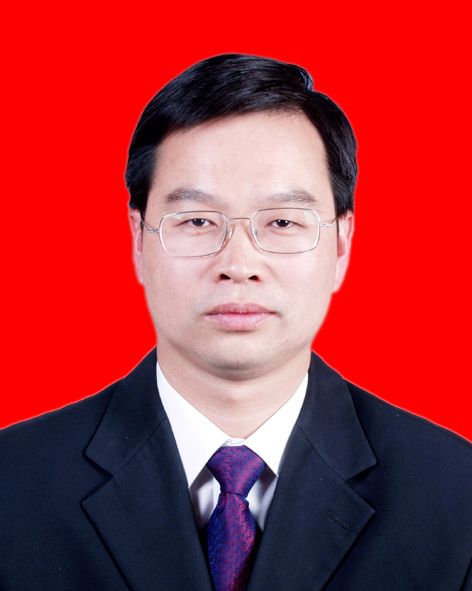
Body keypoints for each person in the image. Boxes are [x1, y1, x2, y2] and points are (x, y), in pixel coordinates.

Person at [1, 54, 471, 591]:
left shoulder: (454, 494)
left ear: (342, 243)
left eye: (283, 221)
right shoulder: (13, 485)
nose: (239, 265)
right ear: (138, 239)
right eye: (198, 220)